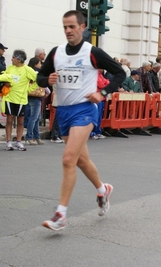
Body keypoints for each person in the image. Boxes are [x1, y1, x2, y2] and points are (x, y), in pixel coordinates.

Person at [37, 10, 126, 231]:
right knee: (80, 160)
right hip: (64, 111)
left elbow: (119, 73)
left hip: (85, 109)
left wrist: (103, 93)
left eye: (72, 27)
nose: (68, 31)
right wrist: (47, 79)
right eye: (65, 27)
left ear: (82, 27)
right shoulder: (56, 53)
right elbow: (40, 76)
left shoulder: (92, 52)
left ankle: (60, 215)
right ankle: (103, 189)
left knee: (68, 159)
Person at [2, 49, 38, 151]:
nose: (11, 59)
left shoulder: (27, 70)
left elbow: (37, 80)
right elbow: (4, 77)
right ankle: (8, 142)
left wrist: (29, 89)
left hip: (22, 99)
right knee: (9, 120)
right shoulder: (10, 68)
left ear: (18, 59)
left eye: (13, 57)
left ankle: (18, 142)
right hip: (9, 98)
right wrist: (6, 83)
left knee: (21, 121)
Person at [25, 57, 50, 145]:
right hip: (36, 96)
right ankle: (30, 136)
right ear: (35, 64)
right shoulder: (36, 73)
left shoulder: (27, 71)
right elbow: (41, 83)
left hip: (28, 95)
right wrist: (48, 92)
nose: (41, 65)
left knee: (35, 118)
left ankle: (37, 136)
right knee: (34, 118)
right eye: (39, 63)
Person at [90, 70, 109, 140]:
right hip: (97, 98)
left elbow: (107, 83)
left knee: (99, 117)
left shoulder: (101, 75)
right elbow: (101, 84)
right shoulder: (95, 74)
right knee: (95, 116)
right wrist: (106, 83)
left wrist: (105, 83)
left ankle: (97, 131)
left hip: (102, 98)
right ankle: (92, 132)